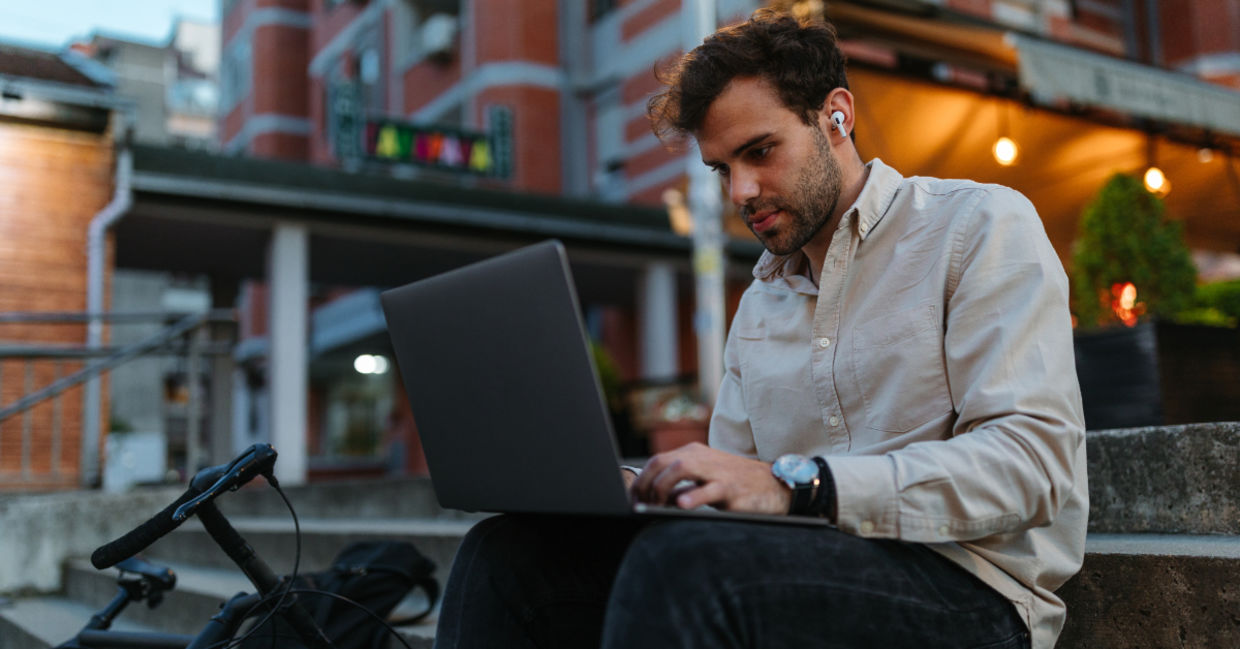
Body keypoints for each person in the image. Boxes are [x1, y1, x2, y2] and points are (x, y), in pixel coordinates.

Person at [433, 10, 1086, 649]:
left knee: (686, 566)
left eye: (759, 151)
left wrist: (799, 485)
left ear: (837, 115)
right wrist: (651, 486)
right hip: (786, 568)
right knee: (506, 556)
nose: (740, 190)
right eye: (721, 168)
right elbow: (732, 496)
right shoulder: (760, 303)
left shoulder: (976, 226)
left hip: (969, 589)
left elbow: (1031, 466)